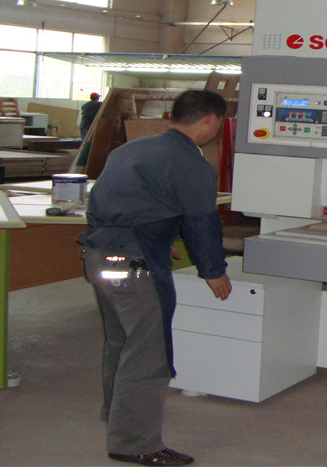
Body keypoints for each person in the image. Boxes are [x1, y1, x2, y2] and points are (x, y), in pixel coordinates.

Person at [78, 90, 232, 467]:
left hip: (100, 257)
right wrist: (214, 271)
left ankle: (118, 416)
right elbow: (201, 225)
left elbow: (109, 205)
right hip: (135, 267)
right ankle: (135, 443)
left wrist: (158, 240)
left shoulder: (130, 150)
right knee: (149, 355)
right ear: (210, 120)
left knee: (121, 341)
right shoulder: (191, 163)